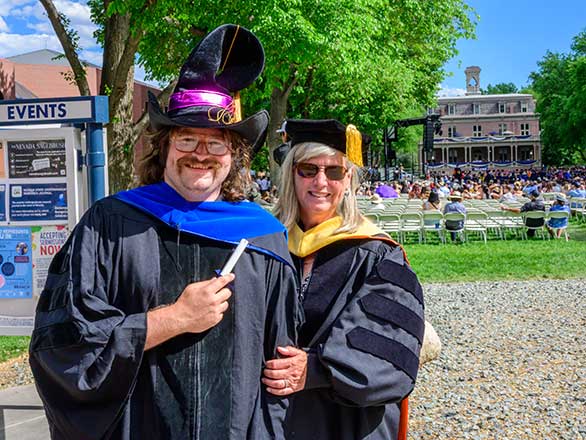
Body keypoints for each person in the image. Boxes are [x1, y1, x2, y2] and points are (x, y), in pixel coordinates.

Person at [29, 24, 300, 440]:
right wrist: (173, 319)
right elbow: (64, 345)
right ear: (165, 147)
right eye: (187, 138)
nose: (200, 155)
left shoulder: (264, 239)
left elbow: (278, 367)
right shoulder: (111, 224)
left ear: (234, 155)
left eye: (216, 143)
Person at [263, 119, 425, 440]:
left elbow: (392, 352)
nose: (321, 182)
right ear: (291, 173)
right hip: (271, 417)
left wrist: (315, 370)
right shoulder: (264, 245)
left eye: (334, 171)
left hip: (346, 421)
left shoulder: (377, 254)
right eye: (308, 169)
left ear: (348, 178)